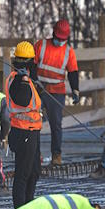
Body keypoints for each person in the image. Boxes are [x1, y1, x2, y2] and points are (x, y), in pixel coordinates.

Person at [34, 19, 80, 166]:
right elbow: (32, 65)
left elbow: (73, 72)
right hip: (39, 89)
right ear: (53, 34)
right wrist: (35, 81)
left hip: (57, 92)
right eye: (58, 38)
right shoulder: (41, 45)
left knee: (56, 124)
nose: (59, 41)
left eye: (62, 39)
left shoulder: (68, 52)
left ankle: (56, 155)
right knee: (34, 122)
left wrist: (75, 90)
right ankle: (35, 154)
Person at [6, 42, 43, 208]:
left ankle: (28, 204)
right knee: (23, 174)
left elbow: (34, 101)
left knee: (34, 172)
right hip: (22, 133)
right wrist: (24, 80)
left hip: (33, 131)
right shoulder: (16, 80)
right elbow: (23, 100)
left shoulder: (28, 80)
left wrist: (34, 83)